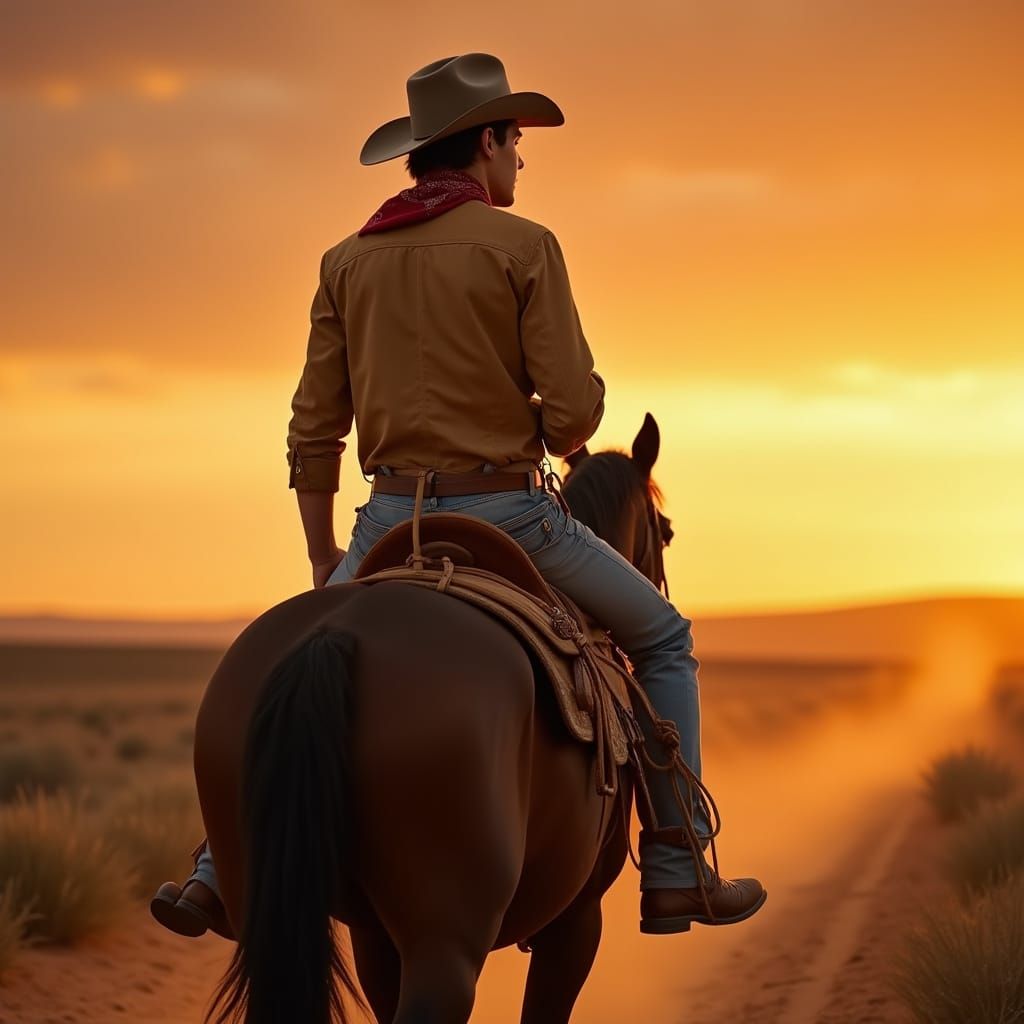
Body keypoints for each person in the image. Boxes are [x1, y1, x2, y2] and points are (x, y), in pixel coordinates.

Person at [151, 52, 764, 941]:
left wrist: (326, 552)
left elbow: (313, 429)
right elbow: (571, 420)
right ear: (484, 143)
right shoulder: (526, 247)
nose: (521, 159)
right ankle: (676, 866)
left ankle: (215, 864)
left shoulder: (344, 262)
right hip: (511, 513)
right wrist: (560, 407)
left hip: (387, 517)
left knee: (291, 669)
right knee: (666, 639)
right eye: (515, 141)